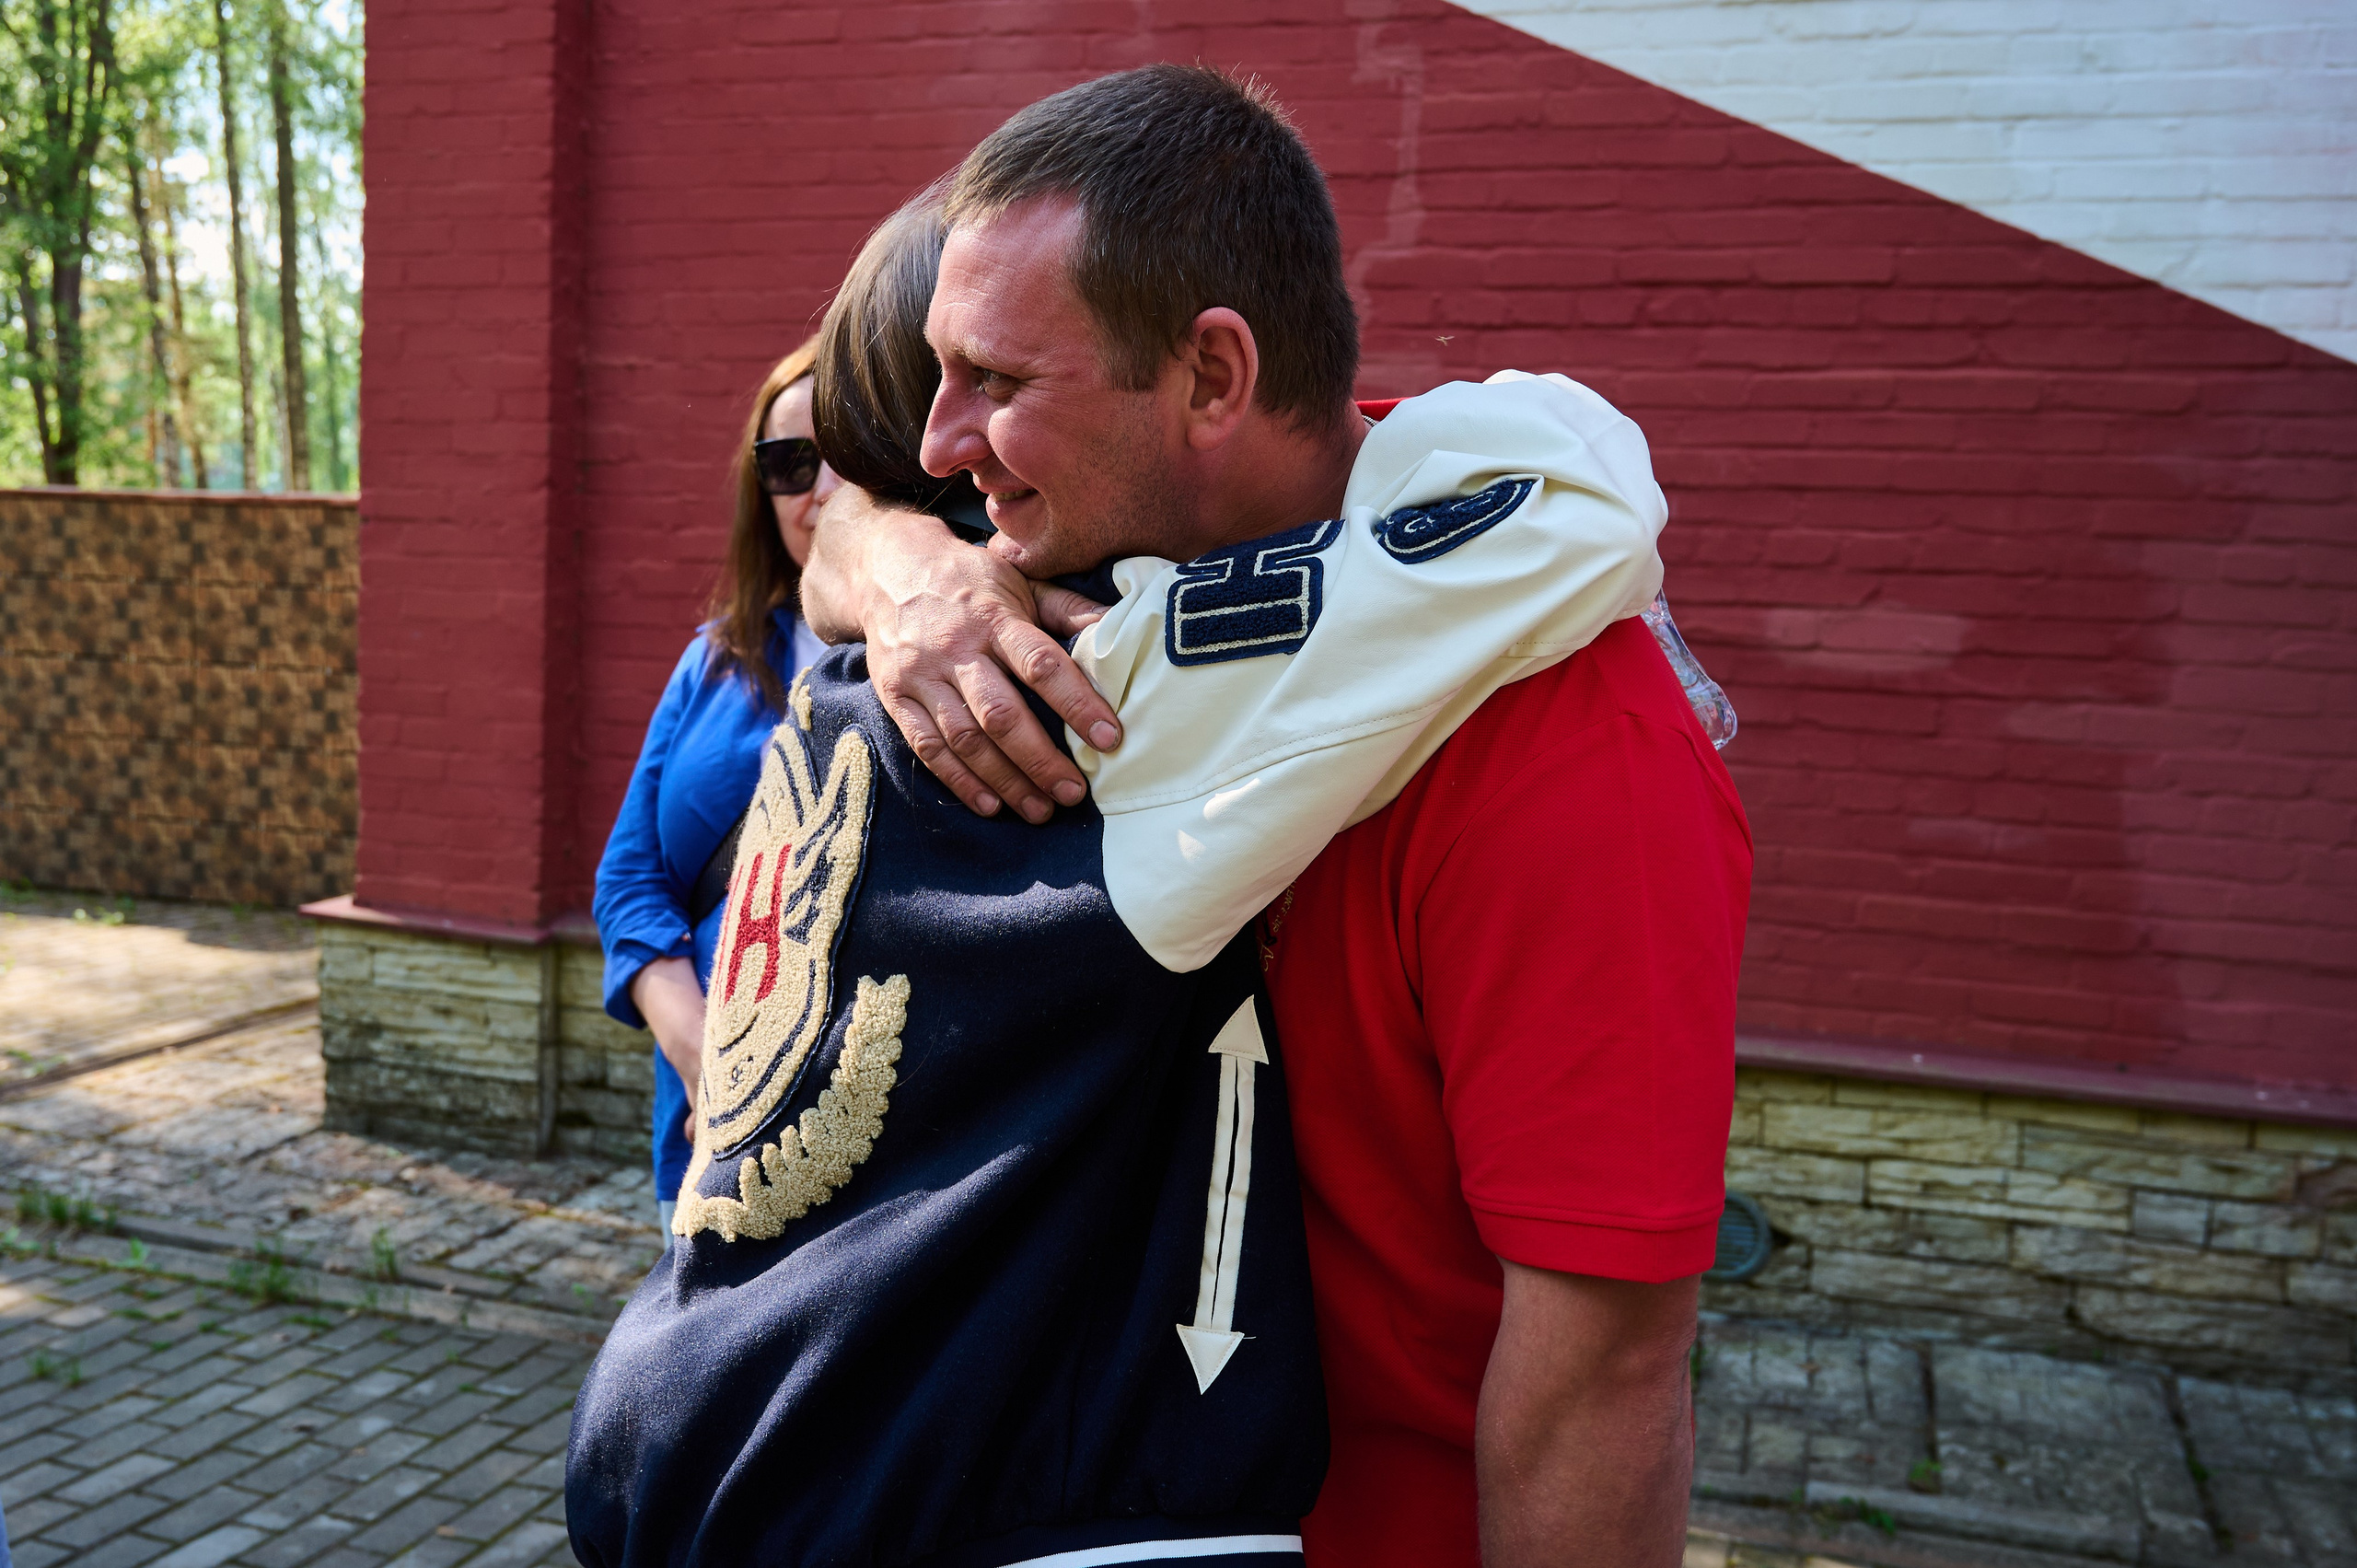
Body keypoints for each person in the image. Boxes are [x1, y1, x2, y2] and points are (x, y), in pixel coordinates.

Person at [567, 147, 1675, 1566]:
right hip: (912, 1497)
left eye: (1005, 382)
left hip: (689, 1415)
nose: (974, 429)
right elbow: (1574, 515)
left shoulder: (845, 675)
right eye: (956, 390)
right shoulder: (1100, 705)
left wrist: (878, 538)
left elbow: (844, 521)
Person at [590, 340, 835, 1233]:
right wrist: (698, 1048)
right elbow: (627, 877)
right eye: (790, 463)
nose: (821, 490)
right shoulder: (716, 660)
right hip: (698, 1136)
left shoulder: (934, 668)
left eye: (847, 453)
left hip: (856, 1144)